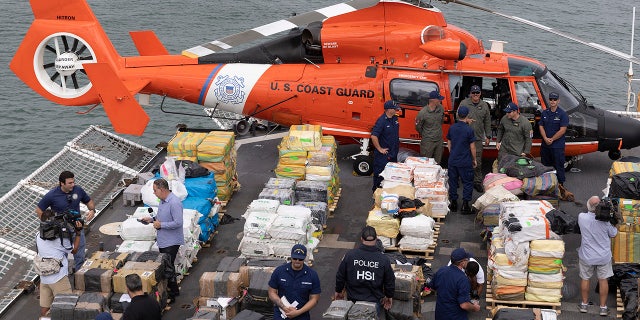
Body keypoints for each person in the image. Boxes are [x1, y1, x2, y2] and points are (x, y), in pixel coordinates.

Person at [36, 171, 96, 271]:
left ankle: (78, 274)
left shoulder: (78, 190)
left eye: (73, 182)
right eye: (70, 183)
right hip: (61, 232)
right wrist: (50, 225)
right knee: (61, 256)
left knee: (80, 254)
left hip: (77, 227)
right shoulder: (52, 195)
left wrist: (92, 210)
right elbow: (38, 210)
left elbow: (88, 201)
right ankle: (64, 274)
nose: (73, 185)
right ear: (62, 183)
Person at [335, 226, 395, 315]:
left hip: (353, 301)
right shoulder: (383, 259)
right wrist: (389, 296)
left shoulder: (350, 255)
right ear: (376, 238)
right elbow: (389, 280)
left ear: (361, 238)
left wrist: (338, 291)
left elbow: (340, 276)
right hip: (374, 302)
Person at [140, 178, 183, 302]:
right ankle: (173, 290)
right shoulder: (163, 201)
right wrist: (151, 220)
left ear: (162, 189)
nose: (154, 193)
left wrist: (161, 225)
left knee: (167, 267)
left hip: (172, 241)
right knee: (168, 266)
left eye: (155, 190)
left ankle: (172, 294)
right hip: (164, 240)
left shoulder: (174, 203)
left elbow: (178, 222)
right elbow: (161, 217)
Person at [577, 196, 617, 316]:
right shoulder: (606, 222)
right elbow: (614, 234)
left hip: (586, 255)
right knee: (603, 280)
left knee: (585, 278)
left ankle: (584, 304)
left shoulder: (581, 217)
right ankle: (603, 307)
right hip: (603, 256)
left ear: (588, 206)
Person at [36, 209, 81, 316]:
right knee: (66, 309)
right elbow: (74, 250)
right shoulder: (60, 240)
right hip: (58, 278)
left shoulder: (38, 235)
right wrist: (78, 233)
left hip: (44, 277)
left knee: (45, 308)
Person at [268, 244, 321, 320]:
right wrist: (283, 307)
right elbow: (271, 292)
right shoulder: (279, 271)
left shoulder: (312, 275)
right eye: (295, 258)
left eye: (300, 259)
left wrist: (298, 312)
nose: (297, 261)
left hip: (302, 315)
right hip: (281, 314)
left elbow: (315, 299)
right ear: (291, 256)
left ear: (305, 258)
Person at [458, 85, 491, 192]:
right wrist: (466, 120)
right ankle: (461, 178)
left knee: (477, 160)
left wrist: (488, 136)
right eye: (473, 93)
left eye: (477, 93)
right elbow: (457, 117)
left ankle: (477, 181)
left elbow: (487, 121)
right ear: (470, 94)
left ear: (480, 93)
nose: (475, 95)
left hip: (477, 137)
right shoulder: (464, 103)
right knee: (462, 158)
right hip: (464, 137)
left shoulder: (484, 105)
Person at [431, 248, 480, 320]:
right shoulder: (463, 279)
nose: (468, 261)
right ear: (462, 263)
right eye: (467, 260)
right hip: (455, 316)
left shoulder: (442, 270)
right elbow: (464, 305)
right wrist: (474, 308)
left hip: (440, 314)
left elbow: (432, 287)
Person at [446, 106, 477, 214]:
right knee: (468, 182)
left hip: (453, 160)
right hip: (465, 161)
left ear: (457, 115)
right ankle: (465, 205)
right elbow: (472, 147)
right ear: (467, 115)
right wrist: (474, 159)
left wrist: (452, 152)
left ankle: (453, 203)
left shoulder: (452, 128)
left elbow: (449, 142)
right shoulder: (469, 130)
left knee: (453, 181)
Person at [539, 92, 569, 186]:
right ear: (549, 100)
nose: (552, 101)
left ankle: (560, 185)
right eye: (551, 99)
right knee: (545, 165)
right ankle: (546, 185)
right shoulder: (545, 113)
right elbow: (541, 126)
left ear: (558, 101)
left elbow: (562, 130)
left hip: (557, 146)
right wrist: (545, 138)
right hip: (545, 145)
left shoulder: (562, 114)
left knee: (559, 165)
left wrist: (551, 139)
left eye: (554, 99)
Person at [371, 100, 401, 190]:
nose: (396, 110)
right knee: (380, 175)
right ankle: (376, 193)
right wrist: (380, 149)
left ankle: (387, 192)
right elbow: (374, 136)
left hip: (393, 153)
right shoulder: (381, 121)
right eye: (395, 109)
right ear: (389, 110)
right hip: (383, 155)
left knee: (391, 175)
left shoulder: (395, 118)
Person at [415, 90, 445, 164]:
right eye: (439, 99)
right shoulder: (423, 113)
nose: (440, 100)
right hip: (428, 142)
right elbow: (418, 127)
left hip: (439, 141)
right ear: (433, 100)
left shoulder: (441, 108)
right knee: (426, 162)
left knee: (437, 162)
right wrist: (426, 134)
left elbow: (441, 121)